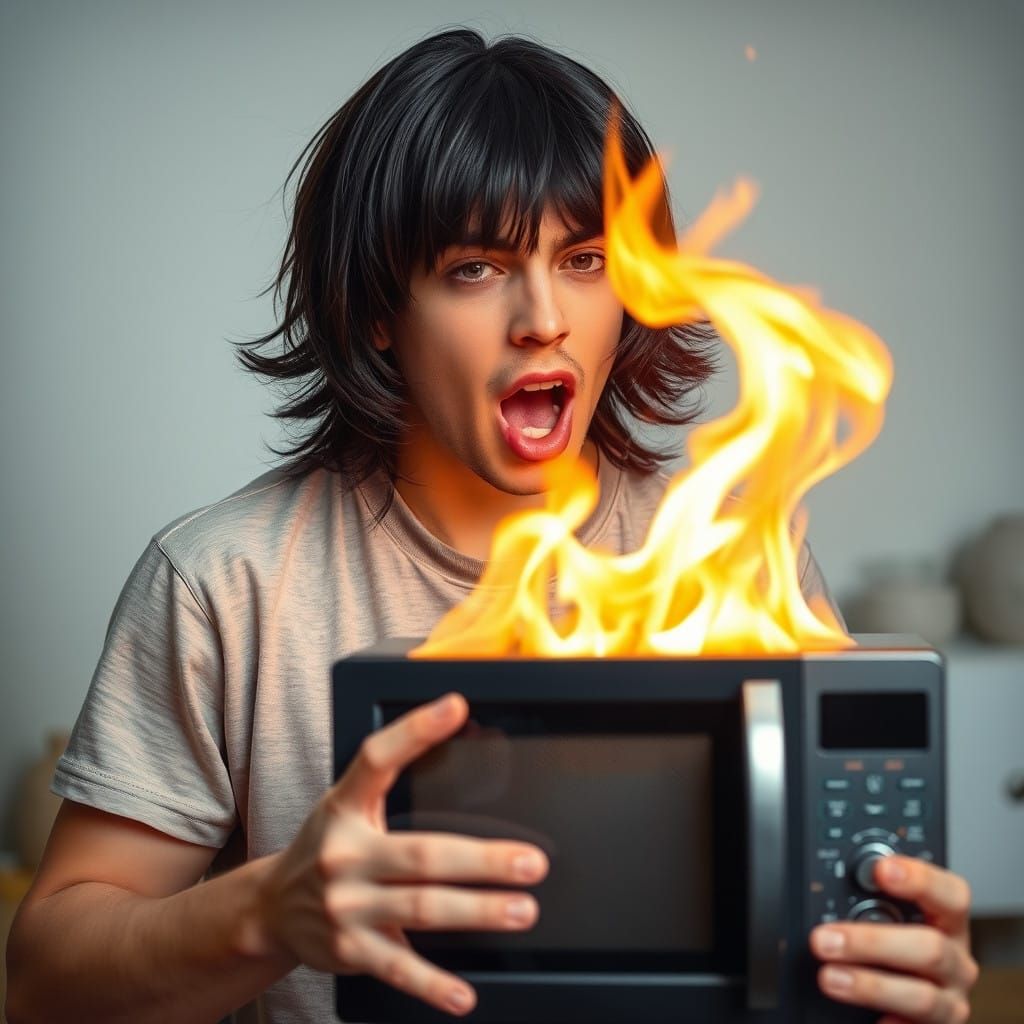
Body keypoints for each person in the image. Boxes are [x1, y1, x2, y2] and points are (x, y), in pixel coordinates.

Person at [5, 28, 976, 1024]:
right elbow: (42, 986)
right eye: (476, 267)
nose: (544, 316)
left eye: (586, 258)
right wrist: (268, 911)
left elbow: (837, 946)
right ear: (378, 308)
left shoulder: (739, 555)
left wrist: (892, 986)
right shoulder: (226, 582)